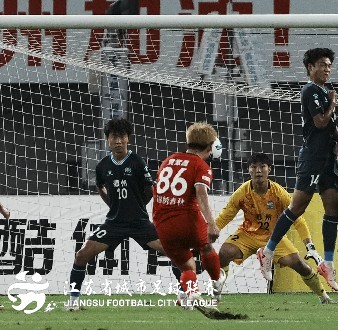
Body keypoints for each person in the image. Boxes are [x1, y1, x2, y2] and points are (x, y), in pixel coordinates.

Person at [66, 118, 178, 311]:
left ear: (128, 139)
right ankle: (73, 301)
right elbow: (100, 186)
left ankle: (185, 295)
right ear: (107, 139)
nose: (118, 141)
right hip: (114, 223)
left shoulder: (137, 162)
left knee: (175, 253)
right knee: (81, 255)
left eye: (122, 137)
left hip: (139, 222)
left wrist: (138, 206)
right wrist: (113, 205)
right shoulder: (102, 166)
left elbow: (150, 189)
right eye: (114, 137)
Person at [258, 48, 338, 292]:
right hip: (313, 157)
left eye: (329, 65)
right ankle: (268, 251)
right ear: (310, 68)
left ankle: (328, 264)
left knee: (333, 207)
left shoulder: (323, 92)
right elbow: (320, 122)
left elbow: (330, 123)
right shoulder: (310, 90)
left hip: (327, 157)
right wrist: (333, 103)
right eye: (322, 64)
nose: (327, 69)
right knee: (297, 207)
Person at [214, 153, 334, 304]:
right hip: (248, 235)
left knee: (300, 265)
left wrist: (309, 245)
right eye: (253, 167)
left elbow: (298, 219)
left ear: (269, 169)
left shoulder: (279, 193)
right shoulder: (241, 193)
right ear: (248, 170)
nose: (258, 170)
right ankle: (216, 294)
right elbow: (225, 216)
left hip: (274, 238)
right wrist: (207, 235)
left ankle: (324, 296)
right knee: (224, 253)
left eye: (262, 167)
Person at [152, 122, 223, 318]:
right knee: (206, 247)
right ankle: (217, 283)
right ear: (209, 147)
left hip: (163, 224)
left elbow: (156, 191)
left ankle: (192, 293)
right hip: (188, 220)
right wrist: (211, 223)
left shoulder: (167, 161)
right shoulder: (201, 165)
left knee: (187, 267)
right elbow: (201, 192)